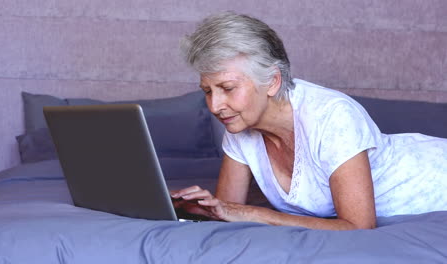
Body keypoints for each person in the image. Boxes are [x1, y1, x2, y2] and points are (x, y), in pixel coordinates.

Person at [170, 12, 447, 230]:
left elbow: (359, 226)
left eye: (228, 88)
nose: (215, 106)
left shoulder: (332, 116)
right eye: (207, 91)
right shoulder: (239, 123)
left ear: (272, 82)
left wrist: (255, 214)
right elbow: (229, 210)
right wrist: (195, 207)